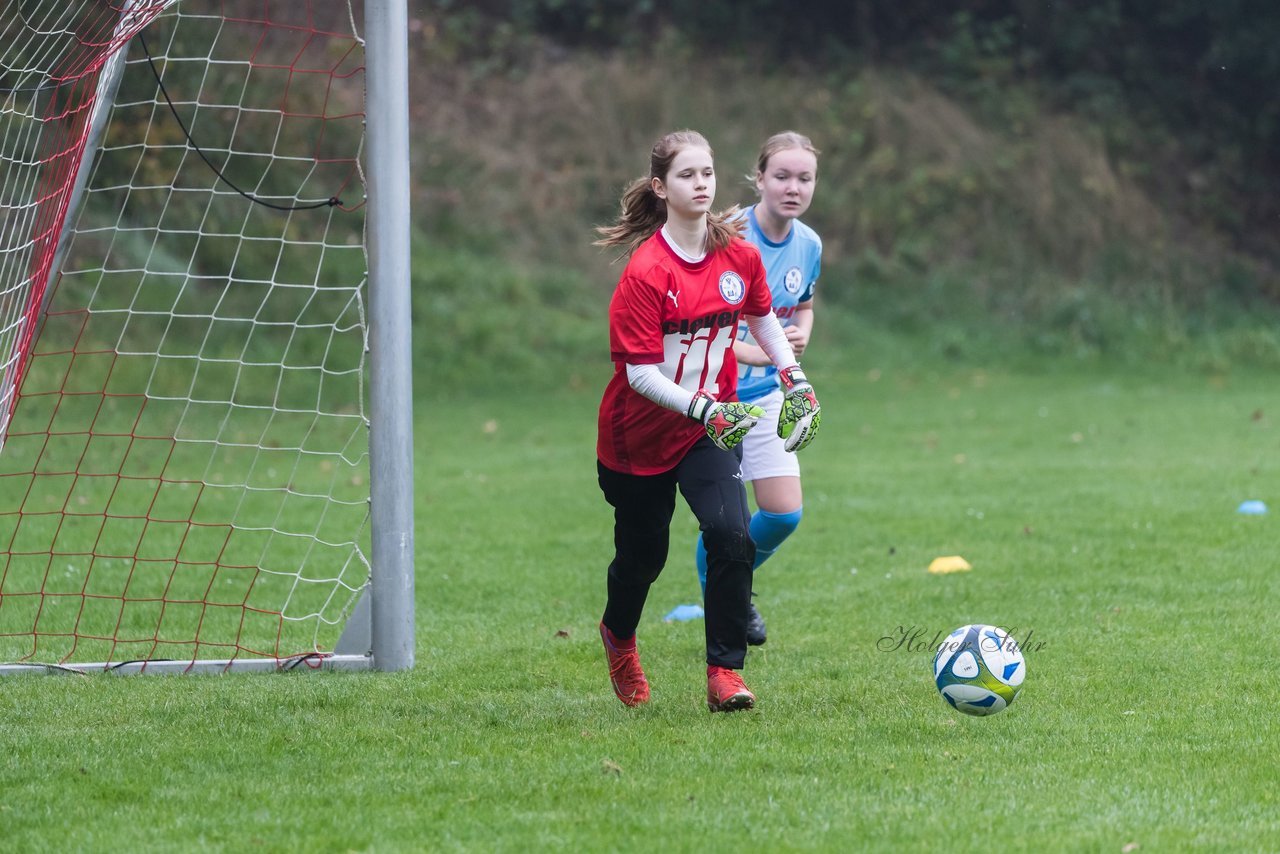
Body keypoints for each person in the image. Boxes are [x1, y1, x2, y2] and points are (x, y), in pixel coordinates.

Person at [593, 130, 822, 712]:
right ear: (660, 188)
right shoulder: (646, 274)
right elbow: (641, 375)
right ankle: (619, 637)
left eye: (707, 173)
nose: (700, 184)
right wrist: (705, 405)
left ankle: (725, 672)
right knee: (643, 559)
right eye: (686, 175)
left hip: (707, 430)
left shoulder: (738, 255)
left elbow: (766, 321)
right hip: (638, 438)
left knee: (731, 534)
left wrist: (794, 376)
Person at [694, 131, 823, 647]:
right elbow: (698, 320)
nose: (793, 187)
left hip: (769, 394)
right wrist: (758, 350)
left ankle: (730, 584)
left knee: (784, 513)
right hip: (716, 396)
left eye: (805, 178)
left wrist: (800, 339)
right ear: (760, 178)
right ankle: (726, 591)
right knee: (725, 524)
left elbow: (804, 306)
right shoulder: (728, 235)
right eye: (783, 176)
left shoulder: (809, 244)